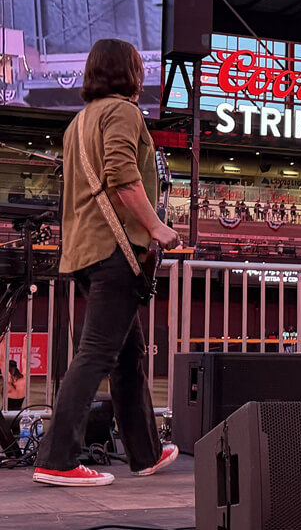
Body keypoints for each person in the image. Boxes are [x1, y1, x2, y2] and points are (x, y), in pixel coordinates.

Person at [33, 39, 180, 487]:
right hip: (115, 250)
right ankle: (57, 460)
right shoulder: (123, 112)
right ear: (131, 72)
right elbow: (121, 175)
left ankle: (145, 453)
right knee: (97, 353)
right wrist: (157, 228)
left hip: (84, 250)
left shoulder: (78, 121)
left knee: (128, 354)